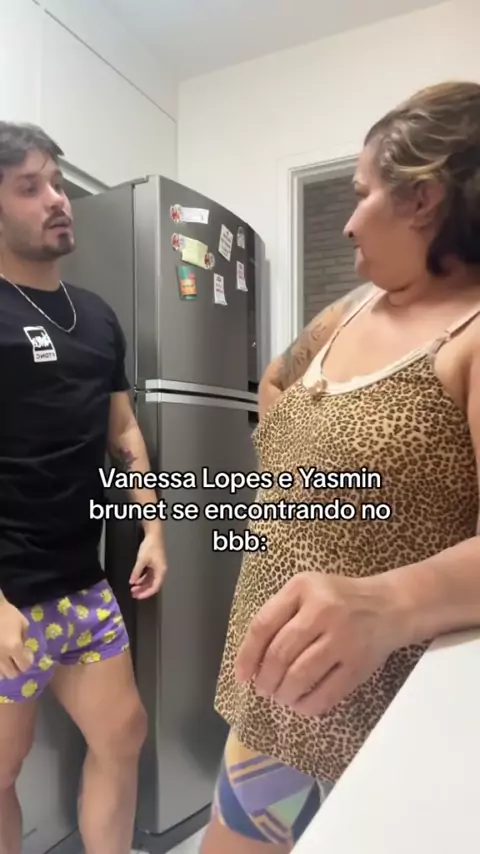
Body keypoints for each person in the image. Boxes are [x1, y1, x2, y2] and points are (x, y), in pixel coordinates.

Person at [201, 80, 480, 854]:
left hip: (383, 710)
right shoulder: (349, 310)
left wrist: (386, 600)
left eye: (362, 194)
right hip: (277, 700)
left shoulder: (471, 334)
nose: (350, 222)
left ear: (422, 198)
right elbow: (276, 382)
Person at [0, 122, 167, 854]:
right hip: (8, 594)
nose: (56, 200)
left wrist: (152, 527)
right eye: (29, 187)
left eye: (58, 184)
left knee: (123, 732)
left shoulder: (97, 315)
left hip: (81, 583)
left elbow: (121, 428)